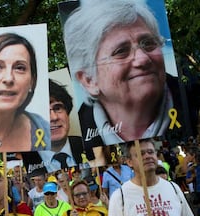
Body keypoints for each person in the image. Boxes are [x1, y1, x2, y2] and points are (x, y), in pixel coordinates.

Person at [63, 0, 187, 150]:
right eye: (121, 51)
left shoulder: (192, 102)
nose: (142, 59)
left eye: (148, 43)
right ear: (89, 80)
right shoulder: (75, 140)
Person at [107, 138, 196, 216]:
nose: (147, 156)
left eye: (150, 152)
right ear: (129, 162)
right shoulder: (120, 197)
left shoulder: (173, 188)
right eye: (141, 154)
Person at [39, 79, 89, 173]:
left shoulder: (88, 145)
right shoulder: (25, 159)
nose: (53, 117)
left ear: (67, 114)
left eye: (57, 108)